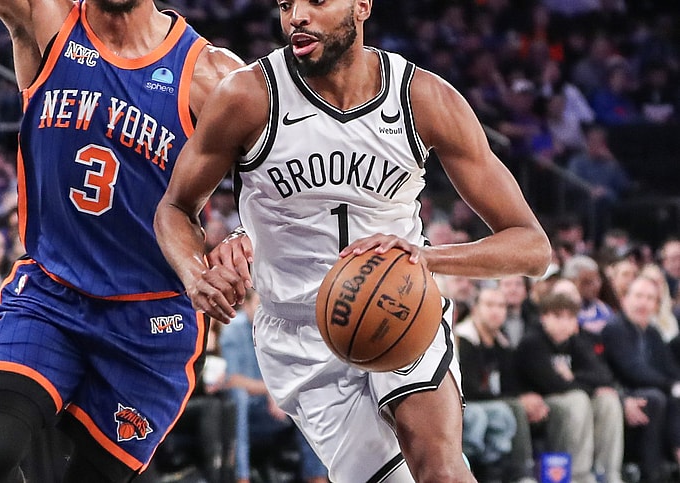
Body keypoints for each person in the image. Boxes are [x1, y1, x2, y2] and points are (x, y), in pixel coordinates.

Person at [154, 1, 552, 481]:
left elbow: (532, 247)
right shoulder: (248, 95)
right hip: (301, 333)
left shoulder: (423, 98)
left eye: (317, 1)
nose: (297, 16)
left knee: (440, 469)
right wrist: (196, 274)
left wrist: (426, 258)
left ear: (362, 5)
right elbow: (175, 207)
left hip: (400, 302)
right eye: (286, 4)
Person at [0, 0, 244, 481]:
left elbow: (280, 176)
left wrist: (243, 234)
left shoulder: (210, 74)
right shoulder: (47, 20)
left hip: (150, 318)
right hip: (53, 292)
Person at [515, 292, 625, 483]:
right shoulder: (532, 342)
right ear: (544, 317)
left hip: (570, 398)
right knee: (578, 399)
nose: (564, 324)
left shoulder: (576, 342)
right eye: (558, 317)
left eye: (570, 318)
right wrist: (587, 387)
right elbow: (553, 384)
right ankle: (578, 475)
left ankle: (609, 473)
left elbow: (603, 376)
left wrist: (574, 377)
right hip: (542, 404)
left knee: (608, 400)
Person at [220, 289, 328, 483]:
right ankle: (241, 478)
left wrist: (280, 395)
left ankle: (317, 477)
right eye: (259, 305)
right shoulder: (234, 329)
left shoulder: (277, 326)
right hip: (248, 408)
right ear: (246, 305)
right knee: (239, 398)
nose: (264, 311)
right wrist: (272, 391)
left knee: (308, 397)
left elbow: (294, 372)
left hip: (273, 407)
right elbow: (233, 380)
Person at [601, 276, 680, 481]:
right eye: (638, 296)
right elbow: (632, 371)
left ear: (656, 305)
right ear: (625, 299)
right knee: (655, 398)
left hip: (650, 392)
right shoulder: (615, 328)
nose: (643, 303)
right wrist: (671, 385)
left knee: (674, 399)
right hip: (621, 393)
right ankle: (651, 473)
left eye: (649, 298)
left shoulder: (652, 332)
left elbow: (670, 367)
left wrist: (675, 384)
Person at [454, 286, 536, 483]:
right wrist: (514, 399)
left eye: (501, 306)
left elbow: (510, 384)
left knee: (508, 409)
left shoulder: (501, 342)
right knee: (498, 412)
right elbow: (469, 389)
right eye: (489, 305)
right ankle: (519, 472)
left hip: (488, 402)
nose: (496, 311)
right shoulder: (462, 338)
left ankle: (505, 474)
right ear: (475, 309)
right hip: (462, 404)